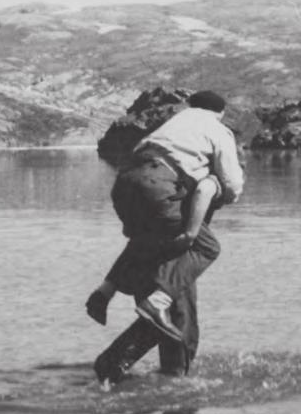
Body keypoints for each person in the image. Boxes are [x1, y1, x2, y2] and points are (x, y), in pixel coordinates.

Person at [87, 90, 245, 383]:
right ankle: (171, 379)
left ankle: (117, 359)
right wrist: (219, 189)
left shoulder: (171, 127)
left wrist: (109, 287)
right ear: (220, 113)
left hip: (126, 186)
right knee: (182, 287)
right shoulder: (216, 132)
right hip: (159, 190)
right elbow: (232, 185)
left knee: (148, 256)